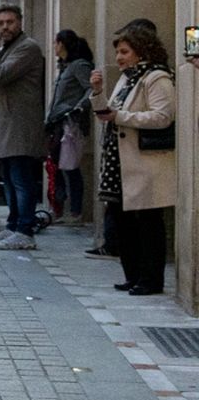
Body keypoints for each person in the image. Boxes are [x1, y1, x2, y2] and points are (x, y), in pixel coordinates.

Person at [91, 21, 176, 296]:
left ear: (141, 51)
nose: (119, 58)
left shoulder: (157, 78)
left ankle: (150, 279)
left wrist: (121, 117)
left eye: (124, 52)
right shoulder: (127, 78)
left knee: (148, 222)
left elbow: (163, 117)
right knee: (124, 220)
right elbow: (109, 111)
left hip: (145, 162)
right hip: (120, 162)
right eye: (118, 52)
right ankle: (133, 275)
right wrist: (97, 92)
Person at [0, 4, 47, 250]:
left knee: (21, 179)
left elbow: (1, 74)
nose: (5, 27)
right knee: (9, 178)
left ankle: (25, 229)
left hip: (19, 125)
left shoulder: (27, 47)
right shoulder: (6, 48)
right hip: (5, 125)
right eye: (0, 23)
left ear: (20, 21)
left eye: (9, 22)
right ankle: (12, 225)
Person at [46, 30, 95, 225]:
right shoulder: (65, 67)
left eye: (56, 43)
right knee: (58, 166)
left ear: (62, 44)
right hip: (58, 122)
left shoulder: (78, 66)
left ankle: (76, 212)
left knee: (71, 167)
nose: (54, 47)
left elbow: (90, 87)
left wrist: (78, 107)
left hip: (70, 124)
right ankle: (62, 208)